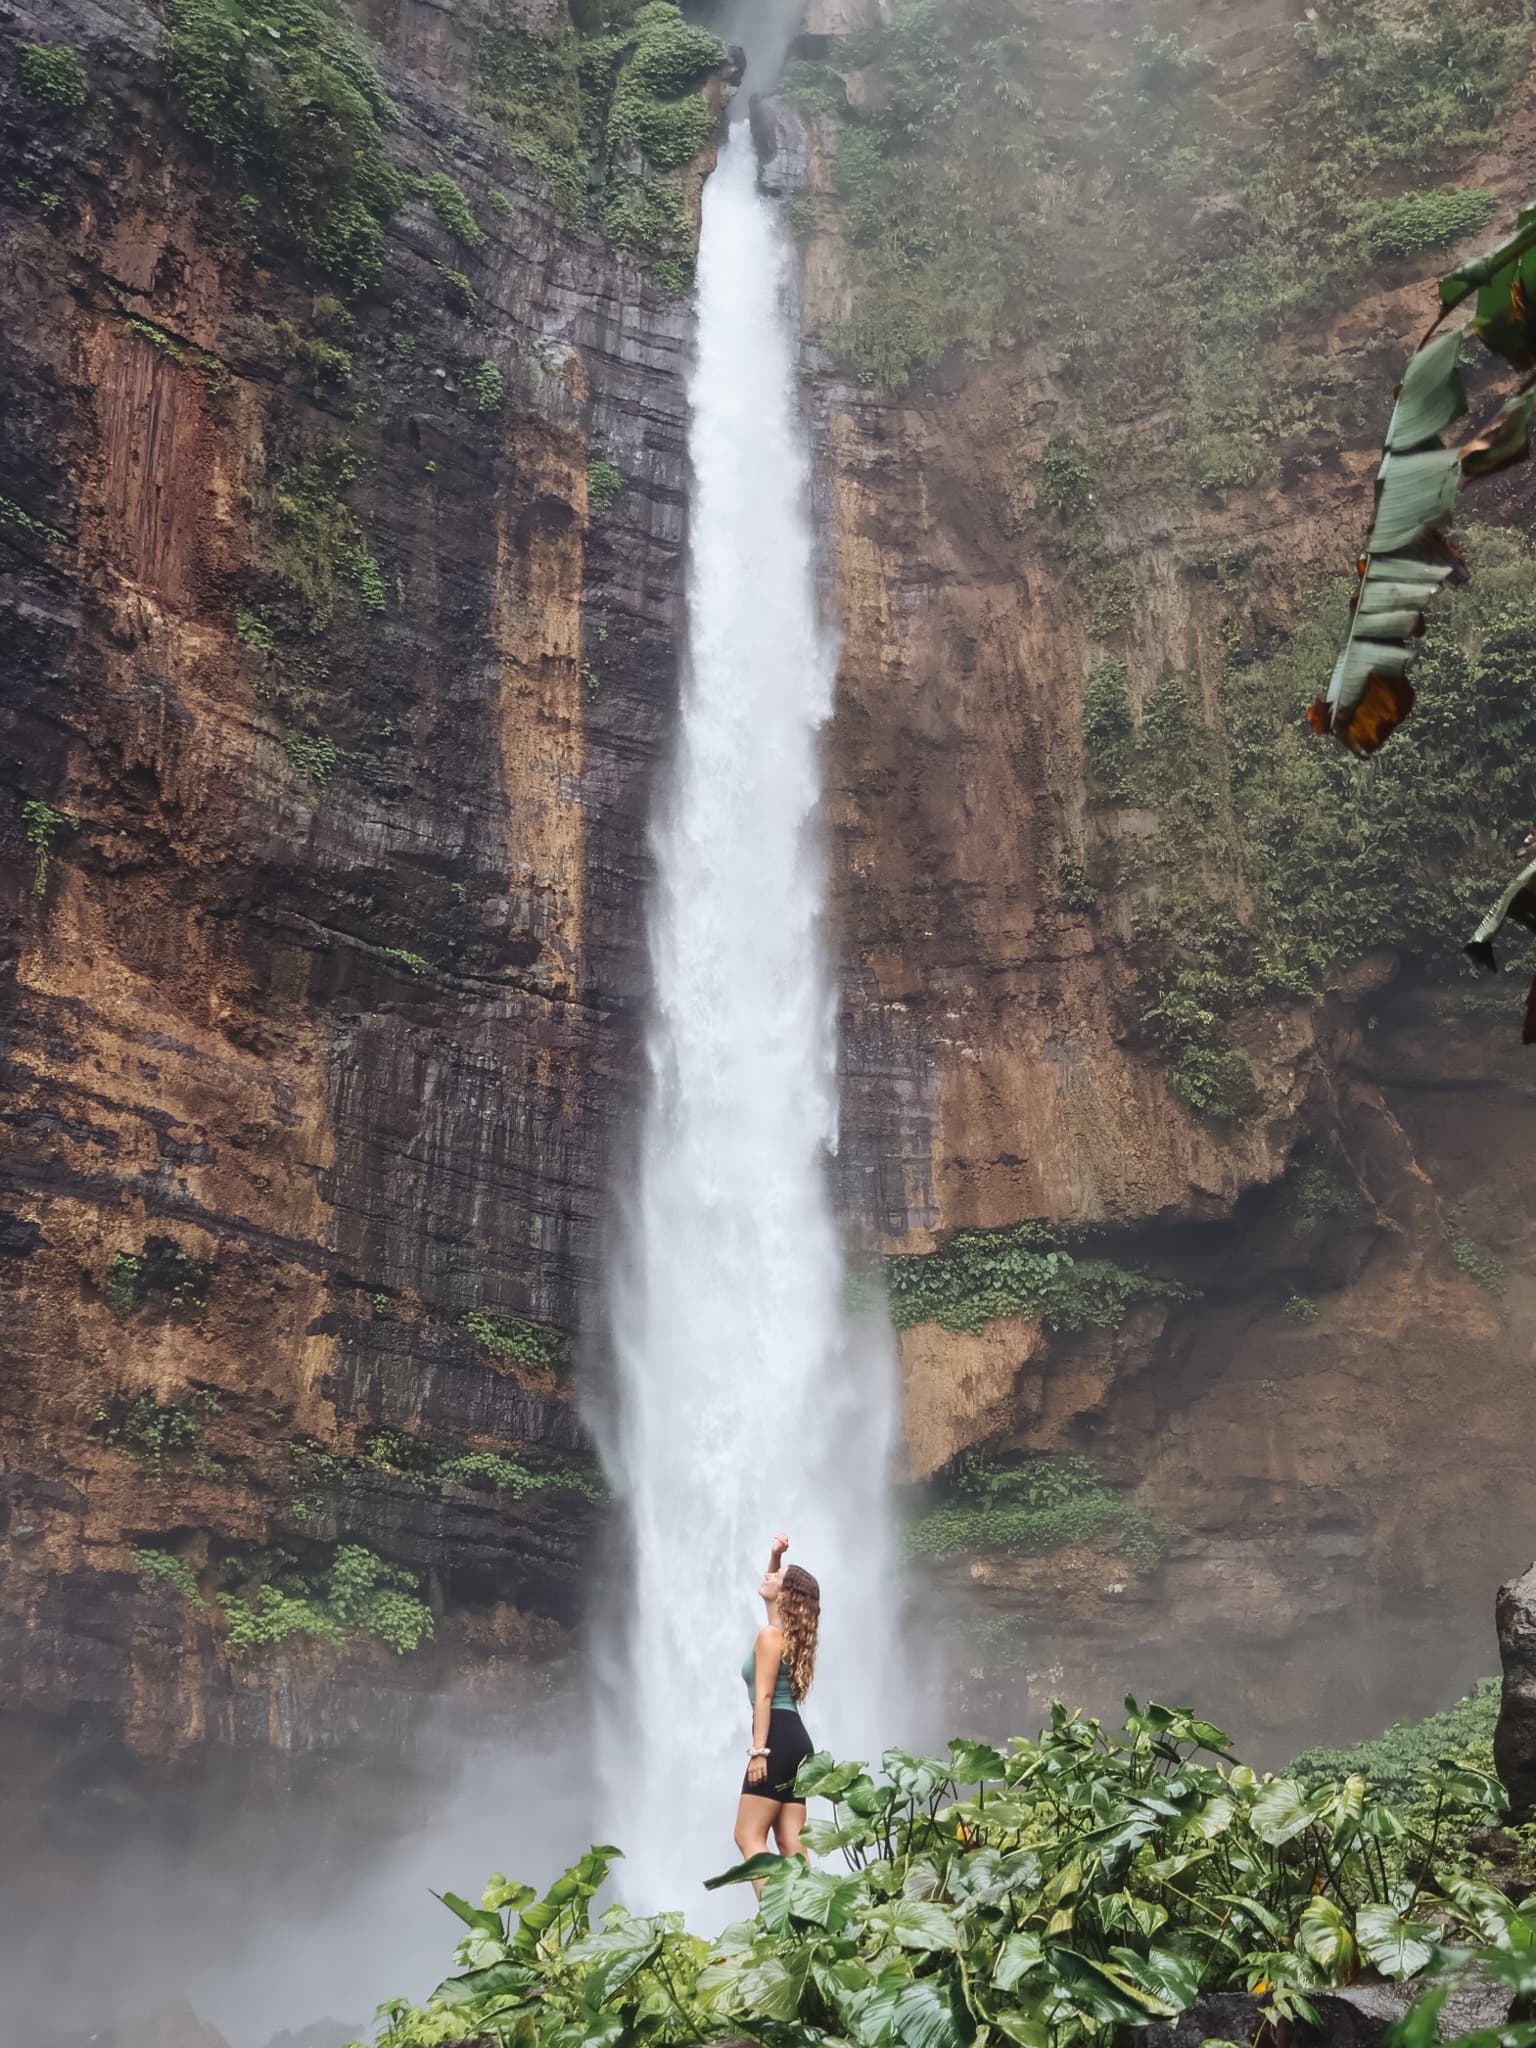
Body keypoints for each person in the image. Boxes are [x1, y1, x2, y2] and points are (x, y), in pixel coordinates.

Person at [733, 1531, 820, 1874]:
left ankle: (776, 1921)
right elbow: (774, 1601)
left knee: (747, 1835)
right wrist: (776, 1558)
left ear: (787, 1596)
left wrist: (758, 1752)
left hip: (775, 1740)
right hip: (797, 1744)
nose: (768, 1576)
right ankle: (811, 1918)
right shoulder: (785, 1634)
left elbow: (764, 1697)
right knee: (789, 1841)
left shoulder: (770, 1637)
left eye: (776, 1577)